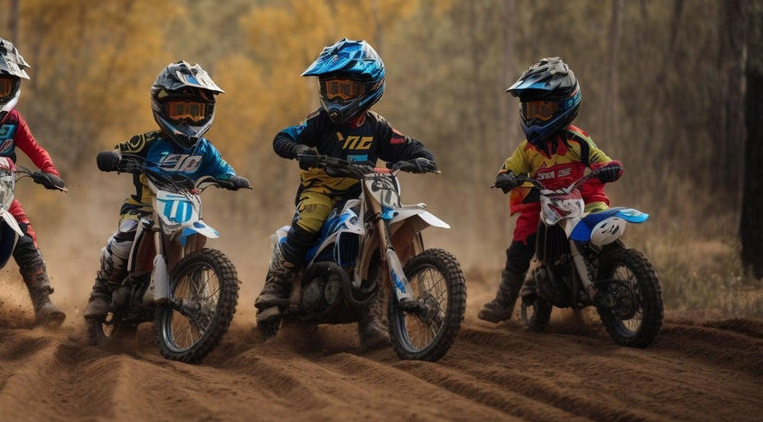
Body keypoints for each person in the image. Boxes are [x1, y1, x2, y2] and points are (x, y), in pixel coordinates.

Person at [254, 38, 437, 350]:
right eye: (331, 89)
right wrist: (300, 150)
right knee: (311, 219)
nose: (337, 97)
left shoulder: (378, 127)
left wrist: (422, 158)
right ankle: (279, 282)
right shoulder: (320, 121)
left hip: (364, 195)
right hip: (321, 190)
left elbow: (408, 145)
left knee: (381, 238)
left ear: (368, 88)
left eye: (346, 90)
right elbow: (282, 138)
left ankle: (372, 321)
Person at [84, 60, 249, 320]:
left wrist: (232, 178)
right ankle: (101, 292)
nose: (186, 118)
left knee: (198, 234)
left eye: (194, 111)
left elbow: (221, 167)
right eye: (179, 110)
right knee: (124, 243)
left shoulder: (204, 149)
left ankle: (193, 289)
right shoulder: (149, 141)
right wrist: (115, 158)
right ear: (162, 108)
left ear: (207, 112)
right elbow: (121, 151)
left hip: (184, 206)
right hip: (142, 208)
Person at [478, 56, 624, 323]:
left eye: (543, 110)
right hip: (542, 202)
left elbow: (599, 158)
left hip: (582, 197)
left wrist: (609, 166)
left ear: (565, 106)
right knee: (521, 243)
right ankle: (504, 302)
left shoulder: (576, 140)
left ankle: (613, 271)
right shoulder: (527, 150)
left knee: (602, 224)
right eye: (531, 110)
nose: (535, 117)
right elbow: (508, 167)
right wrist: (506, 177)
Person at [0, 35, 67, 328]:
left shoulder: (13, 121)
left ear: (13, 87)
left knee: (25, 237)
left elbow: (35, 149)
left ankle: (43, 301)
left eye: (1, 87)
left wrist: (50, 171)